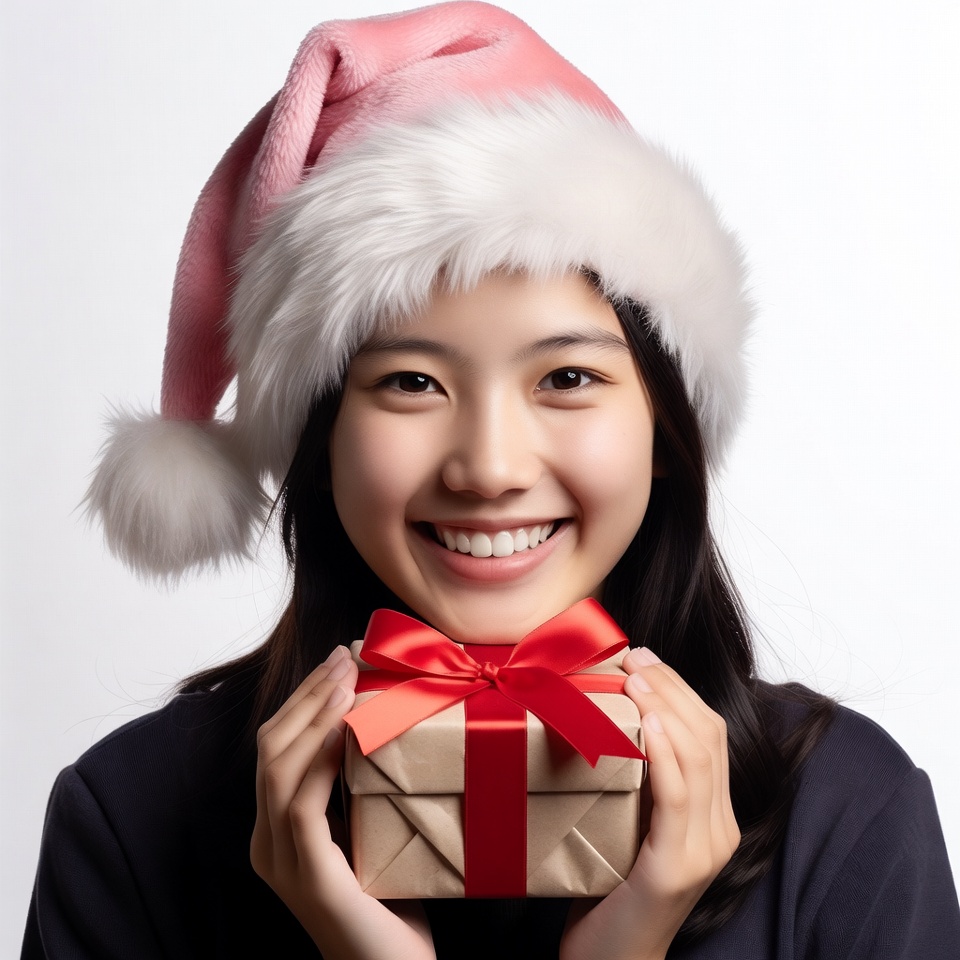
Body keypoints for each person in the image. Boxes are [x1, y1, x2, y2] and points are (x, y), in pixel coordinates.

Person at [21, 3, 959, 958]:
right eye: (411, 382)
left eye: (567, 377)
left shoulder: (849, 819)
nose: (491, 470)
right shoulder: (132, 822)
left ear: (665, 429)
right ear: (323, 437)